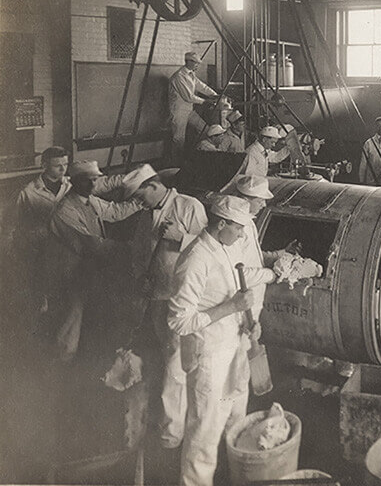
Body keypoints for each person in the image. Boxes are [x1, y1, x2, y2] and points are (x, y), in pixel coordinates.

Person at [168, 195, 276, 486]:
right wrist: (231, 308)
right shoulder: (195, 259)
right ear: (222, 224)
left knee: (235, 421)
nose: (243, 234)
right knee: (205, 433)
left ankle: (234, 478)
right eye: (239, 228)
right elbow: (179, 320)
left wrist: (248, 322)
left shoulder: (225, 248)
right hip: (211, 356)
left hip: (235, 348)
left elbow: (233, 290)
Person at [123, 164, 207, 451]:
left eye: (138, 195)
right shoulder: (146, 216)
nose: (137, 202)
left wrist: (180, 237)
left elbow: (211, 250)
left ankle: (173, 434)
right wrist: (139, 278)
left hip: (182, 297)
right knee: (170, 357)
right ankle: (177, 422)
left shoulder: (188, 206)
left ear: (153, 185)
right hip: (157, 297)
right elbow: (138, 252)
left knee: (176, 365)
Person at [45, 161, 142, 360]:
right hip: (68, 270)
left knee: (84, 312)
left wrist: (141, 201)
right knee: (72, 315)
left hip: (85, 267)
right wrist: (132, 249)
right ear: (74, 182)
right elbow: (91, 244)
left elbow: (114, 212)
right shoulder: (65, 210)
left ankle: (77, 357)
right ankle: (60, 362)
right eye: (86, 181)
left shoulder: (90, 201)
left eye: (95, 180)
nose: (92, 185)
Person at [168, 51, 218, 160]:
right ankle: (175, 164)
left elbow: (201, 86)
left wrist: (215, 95)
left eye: (198, 63)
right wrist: (205, 101)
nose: (197, 65)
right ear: (188, 61)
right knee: (178, 139)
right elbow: (188, 97)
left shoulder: (191, 74)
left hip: (189, 110)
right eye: (195, 63)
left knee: (205, 130)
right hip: (179, 112)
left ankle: (199, 156)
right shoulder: (179, 76)